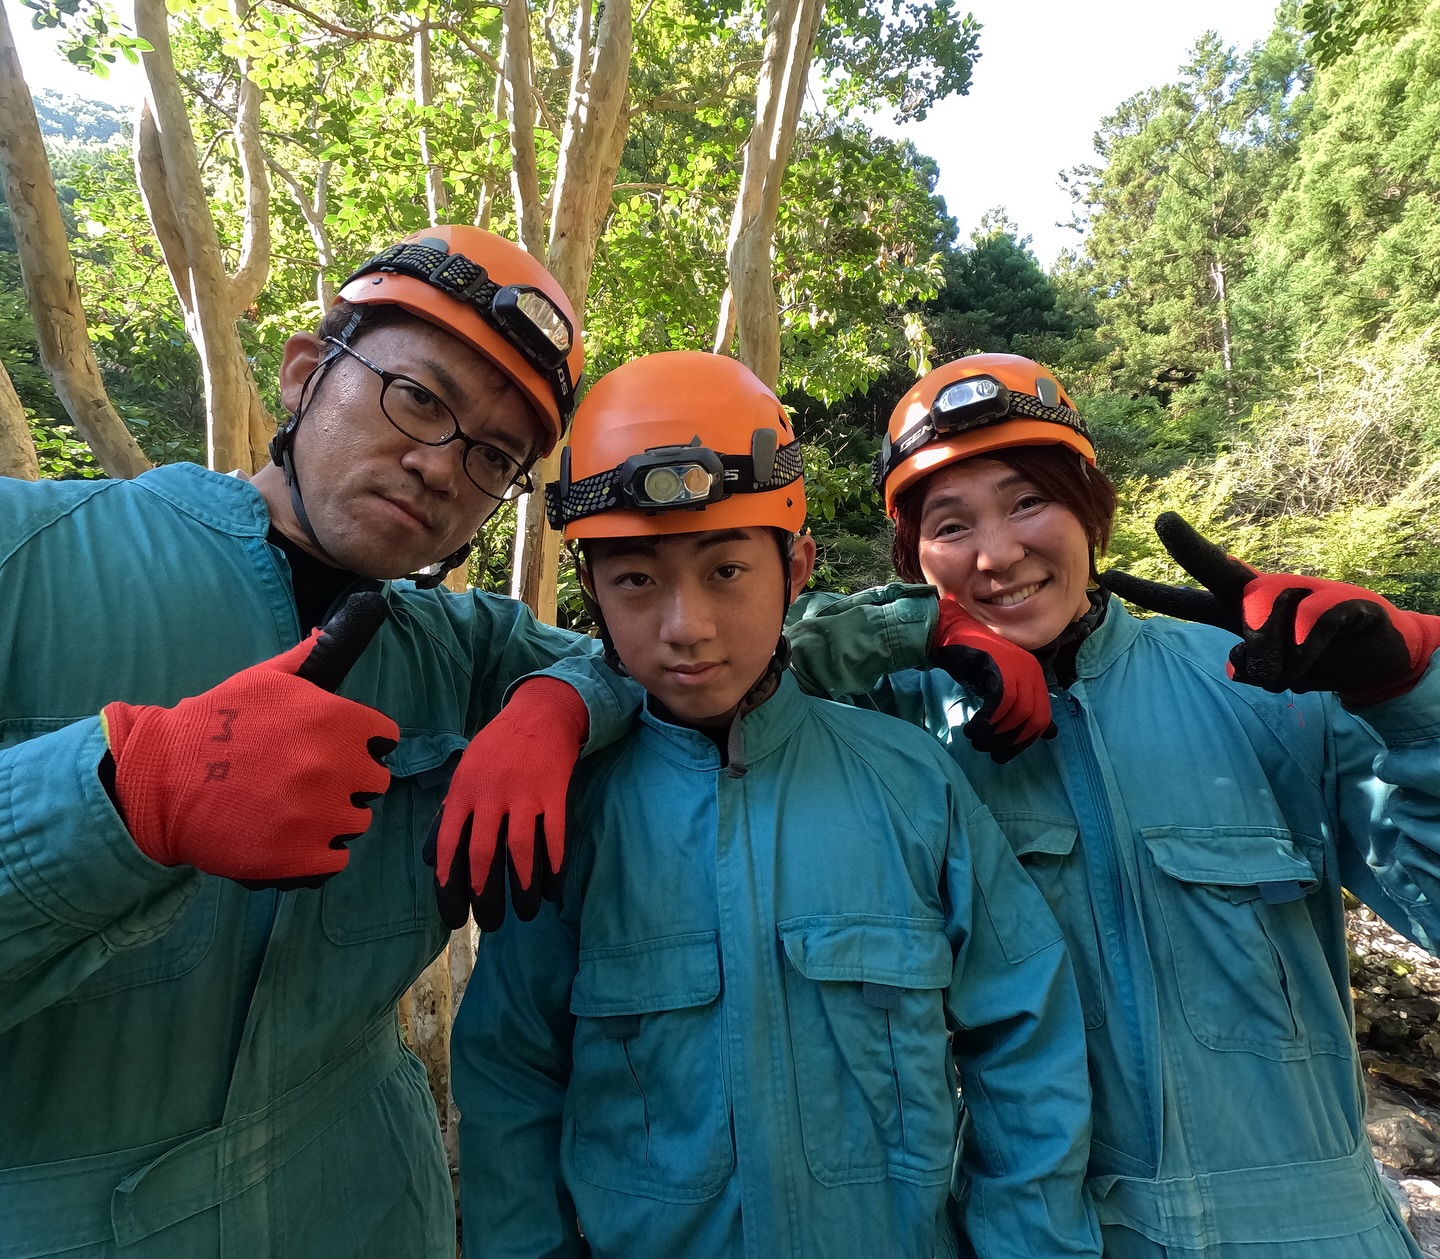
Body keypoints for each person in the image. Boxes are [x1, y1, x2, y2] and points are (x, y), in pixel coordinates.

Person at [0, 225, 636, 1257]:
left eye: (492, 456)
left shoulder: (454, 652)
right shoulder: (27, 557)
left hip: (375, 1209)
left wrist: (556, 704)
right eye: (419, 397)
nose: (438, 464)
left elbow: (664, 650)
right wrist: (125, 798)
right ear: (303, 376)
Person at [781, 351, 1440, 1256]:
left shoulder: (1260, 687)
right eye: (950, 524)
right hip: (1058, 1236)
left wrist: (1409, 695)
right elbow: (727, 671)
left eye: (1026, 501)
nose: (997, 552)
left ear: (1092, 510)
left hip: (1319, 1229)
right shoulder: (900, 719)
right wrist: (915, 629)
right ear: (912, 555)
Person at [448, 350, 1101, 1259]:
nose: (687, 626)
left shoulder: (910, 781)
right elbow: (512, 1082)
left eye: (726, 571)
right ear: (590, 589)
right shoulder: (578, 811)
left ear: (795, 568)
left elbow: (1024, 1036)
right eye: (636, 579)